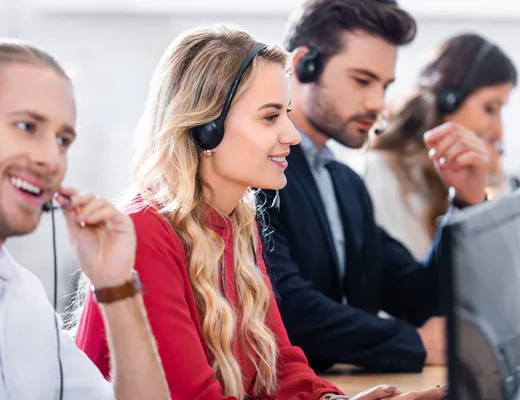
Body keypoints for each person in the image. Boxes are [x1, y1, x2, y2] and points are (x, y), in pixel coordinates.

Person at [72, 26, 448, 400]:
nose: (292, 135)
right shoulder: (145, 232)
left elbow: (281, 365)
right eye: (270, 117)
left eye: (286, 113)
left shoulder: (237, 221)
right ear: (207, 126)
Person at [258, 0, 490, 374]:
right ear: (302, 65)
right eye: (362, 80)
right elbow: (288, 310)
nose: (378, 103)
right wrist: (414, 342)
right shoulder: (261, 174)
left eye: (385, 86)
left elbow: (418, 296)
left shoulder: (344, 183)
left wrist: (464, 201)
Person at [0, 40, 169, 399]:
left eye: (63, 140)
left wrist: (116, 286)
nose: (52, 159)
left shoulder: (23, 298)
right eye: (27, 126)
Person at [365, 33, 518, 258]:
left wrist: (492, 182)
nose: (498, 131)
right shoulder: (385, 174)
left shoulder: (457, 170)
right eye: (489, 109)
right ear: (449, 100)